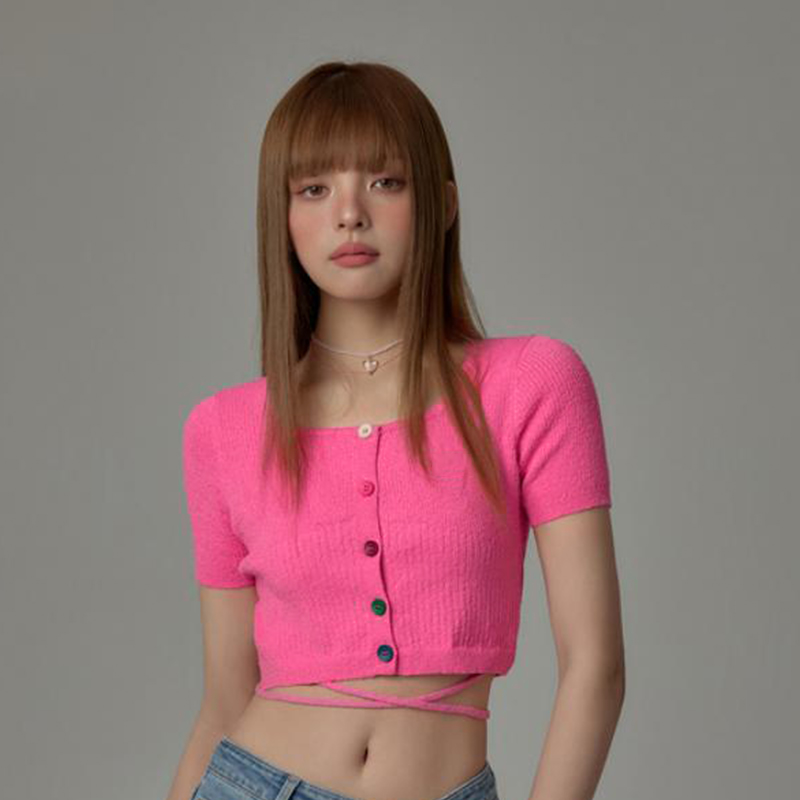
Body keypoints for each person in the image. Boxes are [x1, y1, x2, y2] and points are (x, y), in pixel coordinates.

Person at [167, 60, 625, 800]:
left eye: (385, 182)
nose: (349, 214)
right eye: (314, 189)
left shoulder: (532, 385)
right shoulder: (222, 431)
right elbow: (223, 700)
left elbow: (595, 667)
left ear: (443, 204)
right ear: (281, 218)